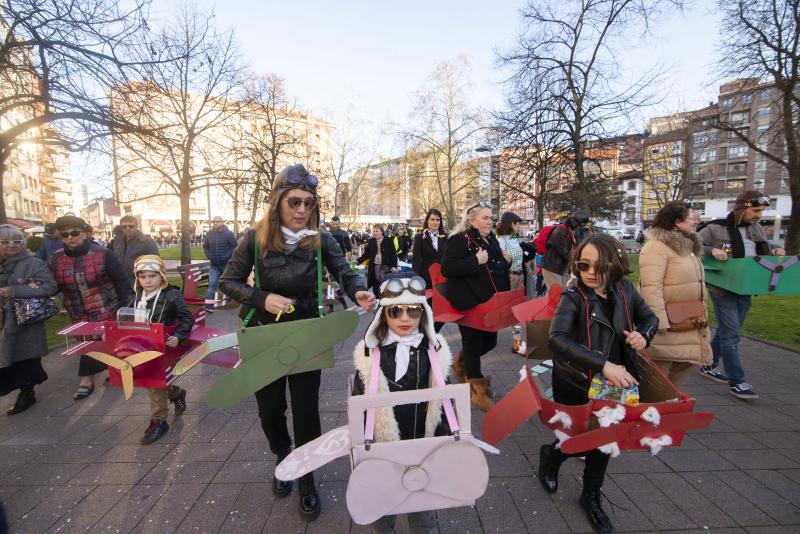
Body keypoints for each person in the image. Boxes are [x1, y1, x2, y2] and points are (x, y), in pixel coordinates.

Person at [219, 164, 375, 521]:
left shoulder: (322, 239)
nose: (302, 210)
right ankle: (282, 453)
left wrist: (359, 289)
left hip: (307, 333)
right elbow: (228, 281)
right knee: (269, 412)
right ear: (278, 203)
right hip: (264, 335)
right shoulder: (254, 238)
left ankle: (306, 476)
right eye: (294, 202)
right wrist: (261, 297)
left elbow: (344, 271)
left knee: (306, 412)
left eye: (308, 203)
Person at [540, 234, 658, 534]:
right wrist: (603, 364)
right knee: (579, 436)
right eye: (583, 265)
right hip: (579, 380)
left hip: (618, 381)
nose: (590, 272)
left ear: (615, 264)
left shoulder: (625, 289)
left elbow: (649, 317)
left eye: (599, 265)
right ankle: (553, 455)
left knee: (607, 437)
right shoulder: (572, 297)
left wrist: (643, 334)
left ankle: (591, 495)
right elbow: (557, 339)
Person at [352, 272, 453, 534]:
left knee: (423, 516)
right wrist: (364, 451)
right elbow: (360, 410)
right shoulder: (370, 356)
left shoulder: (434, 352)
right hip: (383, 454)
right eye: (395, 311)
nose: (405, 318)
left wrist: (442, 446)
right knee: (382, 514)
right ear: (383, 315)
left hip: (424, 450)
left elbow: (446, 405)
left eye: (413, 311)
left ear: (424, 314)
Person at [697, 190, 785, 399]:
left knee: (728, 332)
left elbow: (759, 250)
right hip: (723, 289)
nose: (759, 215)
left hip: (746, 289)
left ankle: (708, 365)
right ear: (742, 208)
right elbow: (693, 243)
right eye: (756, 210)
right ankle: (737, 381)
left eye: (762, 210)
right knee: (732, 335)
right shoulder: (716, 227)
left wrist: (774, 251)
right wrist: (712, 251)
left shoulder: (756, 229)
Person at [48, 216, 132, 400]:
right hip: (77, 311)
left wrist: (126, 308)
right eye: (65, 234)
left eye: (75, 233)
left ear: (85, 232)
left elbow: (121, 281)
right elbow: (54, 285)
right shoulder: (56, 259)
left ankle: (87, 379)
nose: (70, 237)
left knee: (101, 342)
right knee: (87, 341)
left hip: (106, 308)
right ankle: (114, 368)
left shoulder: (102, 254)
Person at [440, 202, 510, 411]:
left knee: (489, 343)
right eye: (485, 218)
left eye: (491, 218)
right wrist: (475, 260)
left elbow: (495, 268)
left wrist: (505, 261)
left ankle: (460, 363)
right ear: (472, 220)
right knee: (472, 345)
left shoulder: (492, 240)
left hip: (490, 304)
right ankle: (478, 392)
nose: (490, 221)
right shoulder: (459, 240)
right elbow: (447, 268)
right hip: (469, 302)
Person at [638, 203, 712, 387]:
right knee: (657, 380)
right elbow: (650, 286)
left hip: (688, 320)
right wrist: (657, 321)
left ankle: (667, 407)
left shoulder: (688, 247)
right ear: (677, 222)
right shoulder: (656, 247)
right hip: (666, 326)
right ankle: (652, 410)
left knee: (683, 367)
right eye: (692, 218)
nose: (696, 222)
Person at [127, 255, 191, 444]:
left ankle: (159, 421)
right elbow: (127, 317)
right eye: (143, 276)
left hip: (163, 347)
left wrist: (178, 336)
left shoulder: (171, 295)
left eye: (152, 276)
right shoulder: (135, 295)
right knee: (154, 382)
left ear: (162, 276)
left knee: (154, 384)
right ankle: (176, 393)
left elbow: (187, 319)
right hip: (141, 346)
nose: (147, 280)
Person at [0, 225, 57, 414]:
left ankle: (27, 393)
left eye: (17, 241)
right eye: (5, 242)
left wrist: (17, 291)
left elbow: (50, 287)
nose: (11, 245)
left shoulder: (33, 263)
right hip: (3, 322)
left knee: (26, 360)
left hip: (24, 321)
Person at [496, 212, 529, 355]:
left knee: (517, 311)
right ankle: (517, 343)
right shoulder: (501, 241)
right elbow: (501, 261)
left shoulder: (515, 239)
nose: (519, 226)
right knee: (510, 312)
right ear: (511, 224)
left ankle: (517, 343)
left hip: (520, 277)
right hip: (510, 278)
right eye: (517, 223)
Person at [411, 208, 448, 333]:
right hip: (426, 279)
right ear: (427, 221)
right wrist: (416, 280)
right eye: (432, 219)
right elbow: (416, 260)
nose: (435, 222)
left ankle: (433, 332)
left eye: (438, 220)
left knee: (444, 311)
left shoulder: (445, 236)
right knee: (427, 309)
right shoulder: (420, 237)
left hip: (441, 279)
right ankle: (427, 335)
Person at [541, 209, 590, 291]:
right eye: (578, 226)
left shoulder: (567, 231)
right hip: (552, 268)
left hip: (559, 268)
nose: (578, 228)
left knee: (560, 293)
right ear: (574, 223)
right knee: (557, 295)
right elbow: (567, 253)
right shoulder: (560, 232)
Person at [202, 216, 237, 313]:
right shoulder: (209, 234)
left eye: (217, 221)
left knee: (227, 283)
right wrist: (209, 255)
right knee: (212, 285)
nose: (215, 223)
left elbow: (234, 246)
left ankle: (229, 302)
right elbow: (205, 246)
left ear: (222, 222)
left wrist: (226, 256)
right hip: (214, 265)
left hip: (225, 265)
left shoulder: (228, 234)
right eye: (214, 222)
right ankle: (209, 306)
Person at [112, 215, 159, 283]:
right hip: (121, 281)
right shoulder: (118, 241)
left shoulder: (147, 242)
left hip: (139, 281)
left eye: (131, 226)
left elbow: (155, 264)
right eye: (124, 227)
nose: (128, 228)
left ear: (137, 226)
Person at [357, 224, 399, 299]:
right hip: (374, 268)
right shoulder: (371, 241)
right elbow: (366, 254)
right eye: (373, 231)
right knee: (375, 289)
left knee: (385, 288)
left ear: (382, 231)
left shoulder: (388, 240)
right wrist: (358, 261)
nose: (375, 233)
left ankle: (384, 305)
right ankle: (377, 305)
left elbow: (393, 254)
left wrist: (394, 266)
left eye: (377, 231)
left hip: (385, 269)